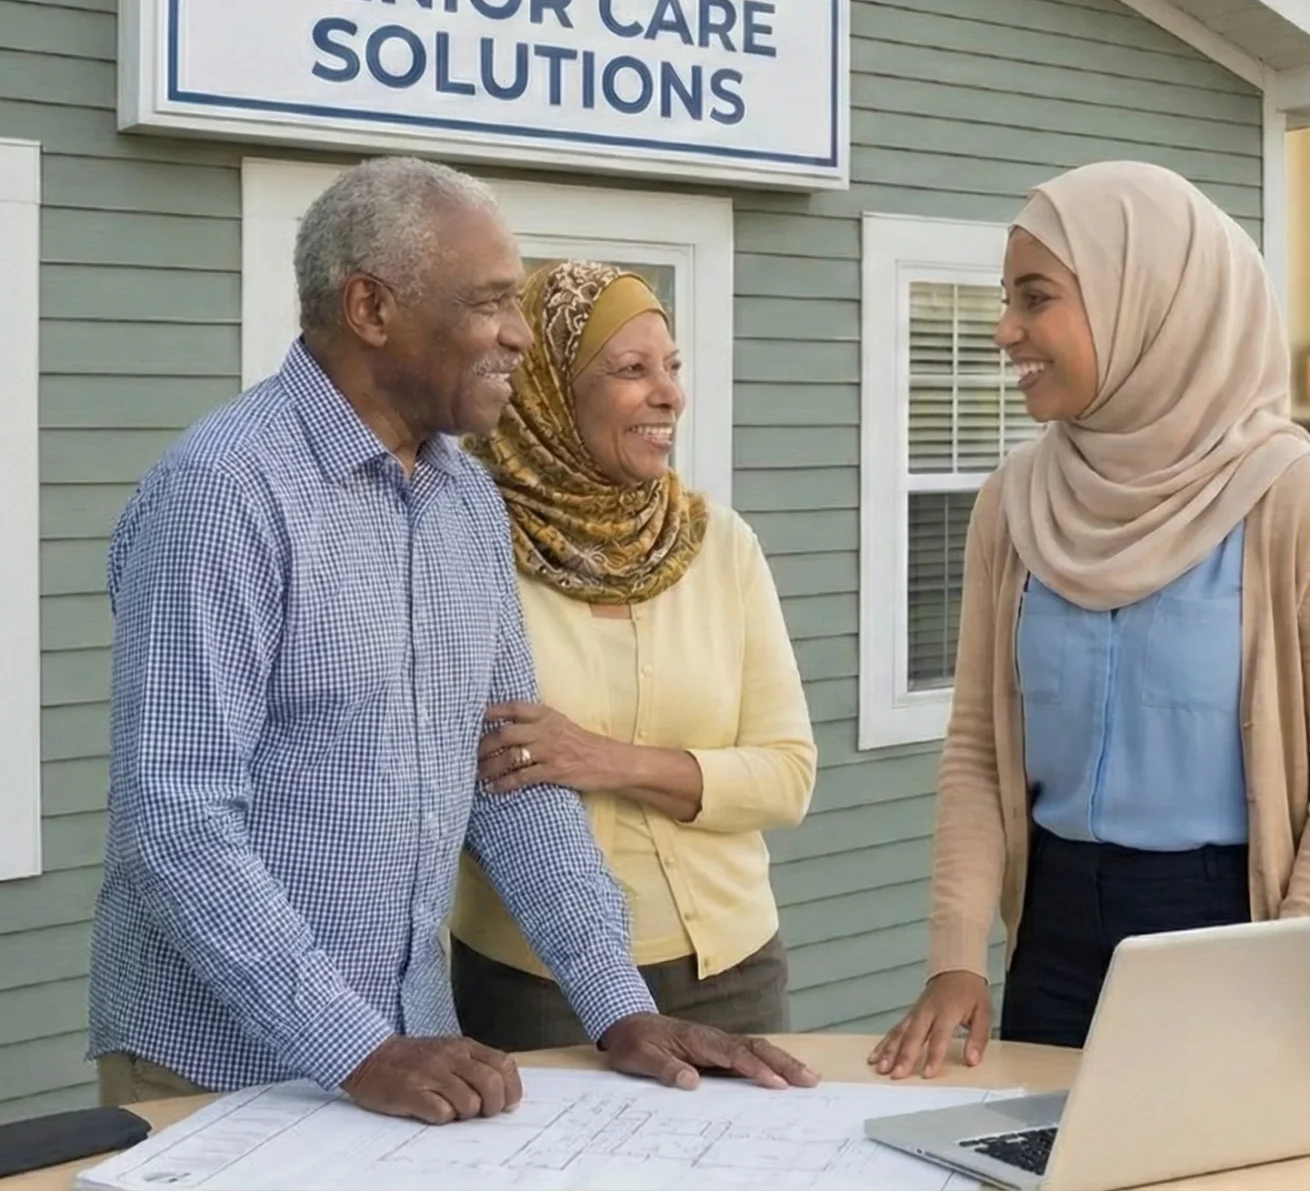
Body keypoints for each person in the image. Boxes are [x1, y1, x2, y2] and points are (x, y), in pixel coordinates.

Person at [88, 156, 813, 1121]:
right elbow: (175, 821)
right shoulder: (226, 494)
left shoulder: (465, 500)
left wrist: (620, 1009)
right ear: (371, 308)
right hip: (221, 1066)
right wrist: (358, 1049)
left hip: (407, 1052)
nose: (517, 333)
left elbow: (509, 777)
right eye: (489, 303)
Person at [867, 161, 1310, 1079]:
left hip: (1224, 929)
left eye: (1037, 298)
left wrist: (1290, 973)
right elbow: (980, 754)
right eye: (1007, 298)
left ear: (1145, 300)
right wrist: (956, 956)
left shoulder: (1298, 504)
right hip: (1054, 926)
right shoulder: (1014, 504)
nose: (1006, 331)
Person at [448, 261, 818, 1052]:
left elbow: (788, 776)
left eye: (673, 367)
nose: (669, 394)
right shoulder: (472, 546)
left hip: (734, 966)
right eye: (631, 369)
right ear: (550, 390)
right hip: (534, 980)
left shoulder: (720, 544)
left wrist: (608, 760)